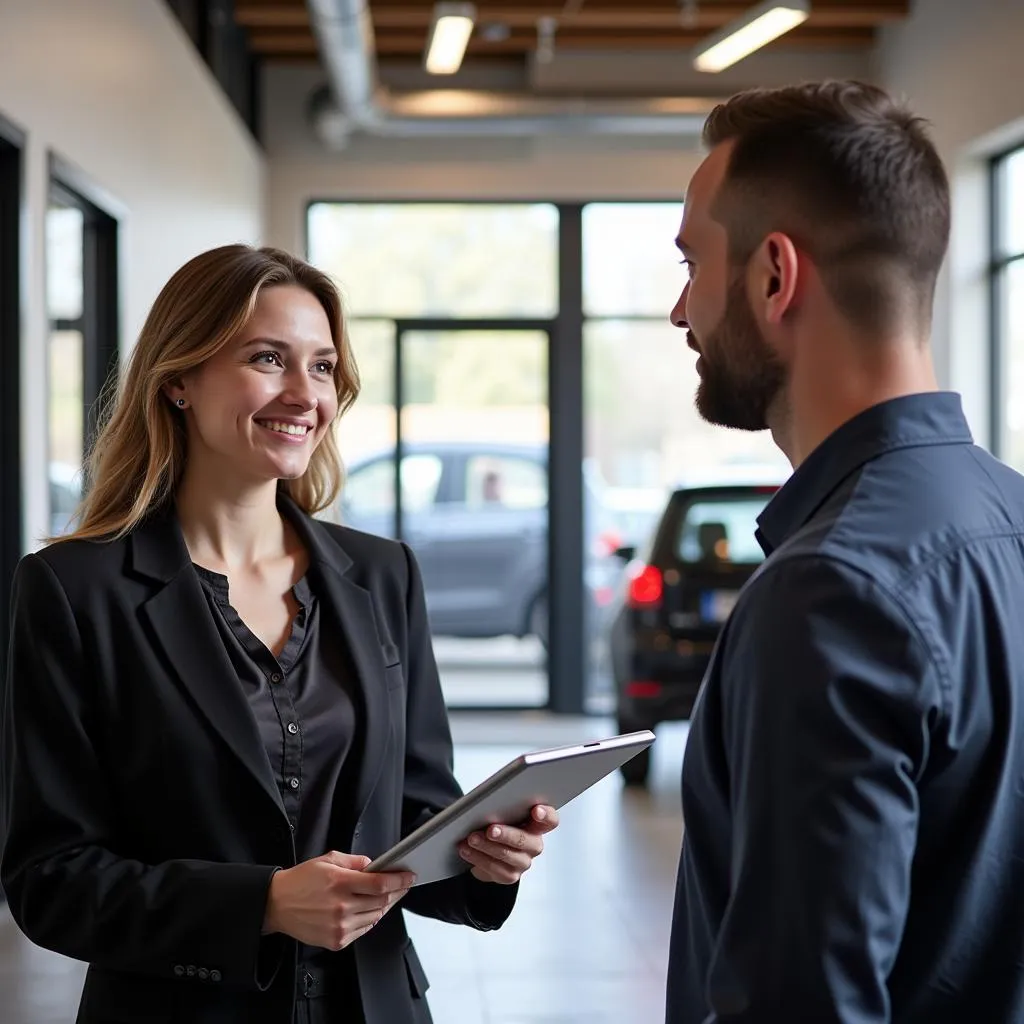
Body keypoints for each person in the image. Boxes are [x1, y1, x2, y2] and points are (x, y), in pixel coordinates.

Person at [1, 244, 559, 1024]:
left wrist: (484, 862)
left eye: (324, 367)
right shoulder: (72, 591)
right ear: (179, 382)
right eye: (270, 359)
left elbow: (414, 811)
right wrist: (261, 903)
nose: (306, 394)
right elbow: (50, 880)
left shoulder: (383, 576)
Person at [665, 80, 1024, 1023]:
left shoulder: (832, 590)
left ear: (774, 276)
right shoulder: (1015, 519)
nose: (679, 312)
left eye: (693, 264)